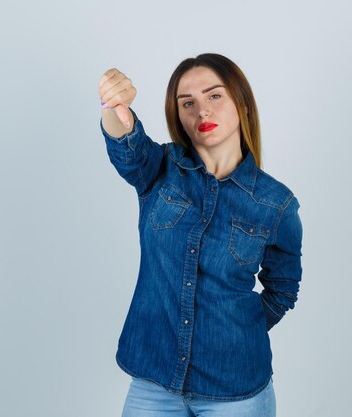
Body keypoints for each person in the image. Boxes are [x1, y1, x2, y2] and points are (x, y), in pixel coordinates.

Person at [97, 53, 303, 417]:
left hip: (236, 387)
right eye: (187, 103)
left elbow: (283, 289)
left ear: (241, 101)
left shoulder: (276, 203)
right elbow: (127, 147)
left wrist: (233, 330)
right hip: (153, 380)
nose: (201, 112)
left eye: (214, 96)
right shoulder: (160, 168)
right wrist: (115, 107)